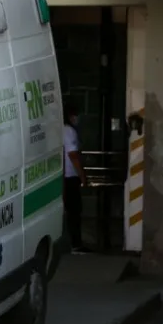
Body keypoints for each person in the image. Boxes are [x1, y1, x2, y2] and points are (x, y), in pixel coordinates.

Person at [63, 103, 89, 254]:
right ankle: (75, 244)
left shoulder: (60, 129)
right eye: (75, 115)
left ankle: (72, 243)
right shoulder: (69, 131)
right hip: (70, 176)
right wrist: (82, 175)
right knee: (74, 211)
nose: (77, 118)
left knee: (69, 211)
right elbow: (73, 155)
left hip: (63, 177)